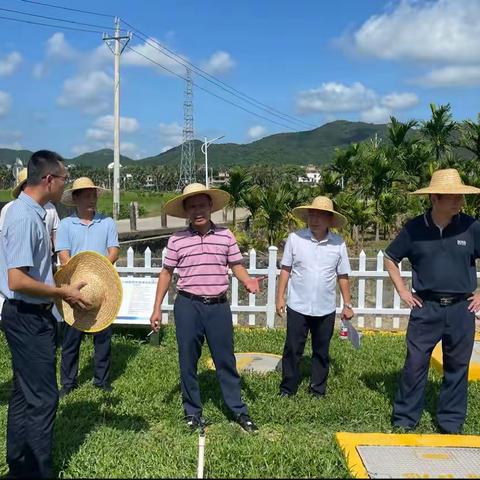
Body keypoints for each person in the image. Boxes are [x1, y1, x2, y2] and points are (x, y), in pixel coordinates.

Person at [0, 150, 88, 478]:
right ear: (48, 179)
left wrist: (57, 278)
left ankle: (19, 468)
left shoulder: (32, 213)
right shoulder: (24, 217)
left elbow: (33, 271)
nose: (65, 184)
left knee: (24, 394)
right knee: (44, 399)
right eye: (64, 178)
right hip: (26, 316)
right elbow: (17, 279)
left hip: (28, 314)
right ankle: (37, 472)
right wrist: (61, 292)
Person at [149, 183, 263, 433]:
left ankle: (238, 411)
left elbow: (236, 265)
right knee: (187, 360)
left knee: (225, 359)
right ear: (186, 211)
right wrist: (157, 307)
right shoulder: (177, 240)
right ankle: (192, 412)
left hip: (218, 307)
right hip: (187, 305)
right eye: (192, 206)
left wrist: (247, 281)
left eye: (202, 205)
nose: (197, 210)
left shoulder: (226, 236)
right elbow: (166, 273)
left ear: (211, 207)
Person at [384, 168, 480, 434]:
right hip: (426, 308)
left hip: (462, 309)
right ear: (434, 199)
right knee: (415, 364)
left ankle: (451, 423)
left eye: (460, 196)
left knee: (457, 367)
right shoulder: (414, 228)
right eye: (452, 196)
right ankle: (404, 420)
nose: (459, 201)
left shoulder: (471, 227)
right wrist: (403, 291)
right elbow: (390, 258)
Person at [276, 196, 354, 398]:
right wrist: (280, 298)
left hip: (325, 307)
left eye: (320, 216)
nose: (315, 220)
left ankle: (318, 389)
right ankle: (287, 389)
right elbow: (285, 270)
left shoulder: (338, 244)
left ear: (330, 219)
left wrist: (347, 304)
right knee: (293, 348)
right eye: (312, 215)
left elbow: (342, 275)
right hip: (298, 305)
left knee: (321, 350)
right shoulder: (295, 239)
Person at [55, 177, 120, 397]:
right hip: (74, 285)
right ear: (76, 199)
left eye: (93, 194)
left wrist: (100, 270)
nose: (90, 199)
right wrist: (79, 275)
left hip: (101, 289)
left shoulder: (107, 222)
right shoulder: (65, 225)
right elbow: (63, 254)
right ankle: (68, 382)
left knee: (103, 338)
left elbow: (114, 251)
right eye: (85, 195)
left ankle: (101, 380)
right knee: (71, 338)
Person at [0, 167, 60, 250]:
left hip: (47, 258)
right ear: (23, 186)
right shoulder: (8, 208)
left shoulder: (50, 208)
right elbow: (2, 237)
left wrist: (59, 260)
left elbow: (56, 234)